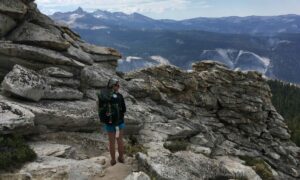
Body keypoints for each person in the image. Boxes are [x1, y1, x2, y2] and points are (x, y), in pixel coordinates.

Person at [97, 78, 126, 166]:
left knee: (112, 142)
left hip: (109, 124)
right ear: (113, 86)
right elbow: (124, 110)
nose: (118, 87)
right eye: (117, 85)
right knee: (119, 140)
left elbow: (99, 108)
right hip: (119, 123)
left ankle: (113, 161)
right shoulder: (119, 96)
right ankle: (121, 158)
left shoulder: (103, 96)